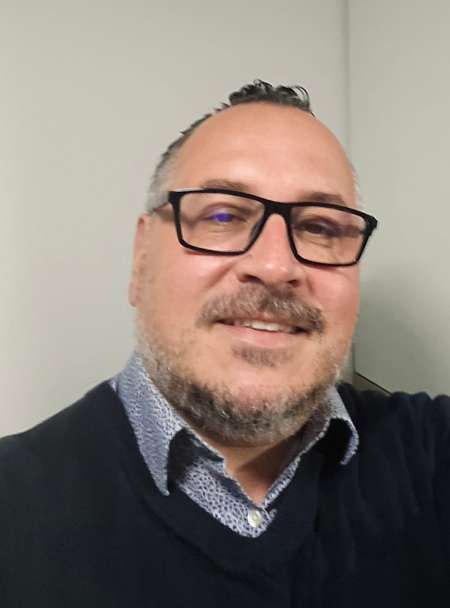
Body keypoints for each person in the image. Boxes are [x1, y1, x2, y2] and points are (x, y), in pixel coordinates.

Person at [0, 80, 449, 607]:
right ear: (141, 259)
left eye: (320, 227)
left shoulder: (431, 455)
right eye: (223, 216)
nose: (275, 265)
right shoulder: (15, 509)